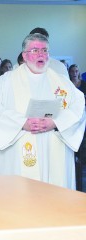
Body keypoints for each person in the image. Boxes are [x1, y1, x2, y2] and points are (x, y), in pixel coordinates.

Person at [0, 33, 86, 189]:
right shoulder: (4, 83)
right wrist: (22, 123)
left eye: (44, 50)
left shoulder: (62, 82)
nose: (41, 54)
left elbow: (79, 107)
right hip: (18, 150)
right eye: (35, 50)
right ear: (24, 55)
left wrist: (56, 123)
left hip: (54, 151)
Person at [69, 63, 86, 191]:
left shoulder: (84, 84)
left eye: (76, 70)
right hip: (72, 118)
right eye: (72, 71)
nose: (75, 73)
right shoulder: (67, 85)